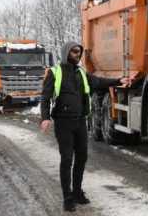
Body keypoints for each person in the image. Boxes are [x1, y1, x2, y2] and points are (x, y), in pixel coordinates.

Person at [40, 41, 133, 212]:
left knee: (82, 157)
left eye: (79, 52)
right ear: (66, 52)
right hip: (63, 122)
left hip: (80, 121)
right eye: (74, 51)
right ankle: (67, 197)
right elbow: (45, 97)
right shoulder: (55, 73)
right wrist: (45, 118)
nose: (78, 54)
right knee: (67, 159)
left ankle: (77, 192)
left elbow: (98, 82)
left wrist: (118, 80)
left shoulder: (81, 73)